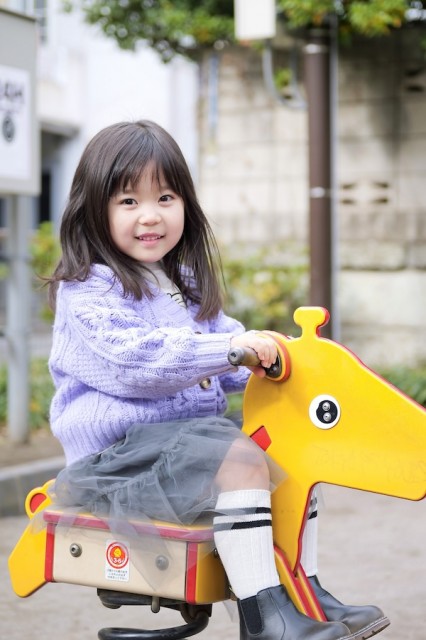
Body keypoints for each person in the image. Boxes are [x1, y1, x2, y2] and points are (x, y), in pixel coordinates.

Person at [47, 120, 389, 640]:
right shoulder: (89, 291)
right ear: (94, 209)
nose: (150, 215)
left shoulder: (181, 282)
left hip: (178, 448)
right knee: (240, 460)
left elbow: (230, 352)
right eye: (129, 201)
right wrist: (232, 352)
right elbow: (136, 362)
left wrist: (284, 363)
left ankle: (303, 588)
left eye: (165, 197)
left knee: (291, 455)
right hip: (117, 461)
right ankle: (265, 618)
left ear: (186, 204)